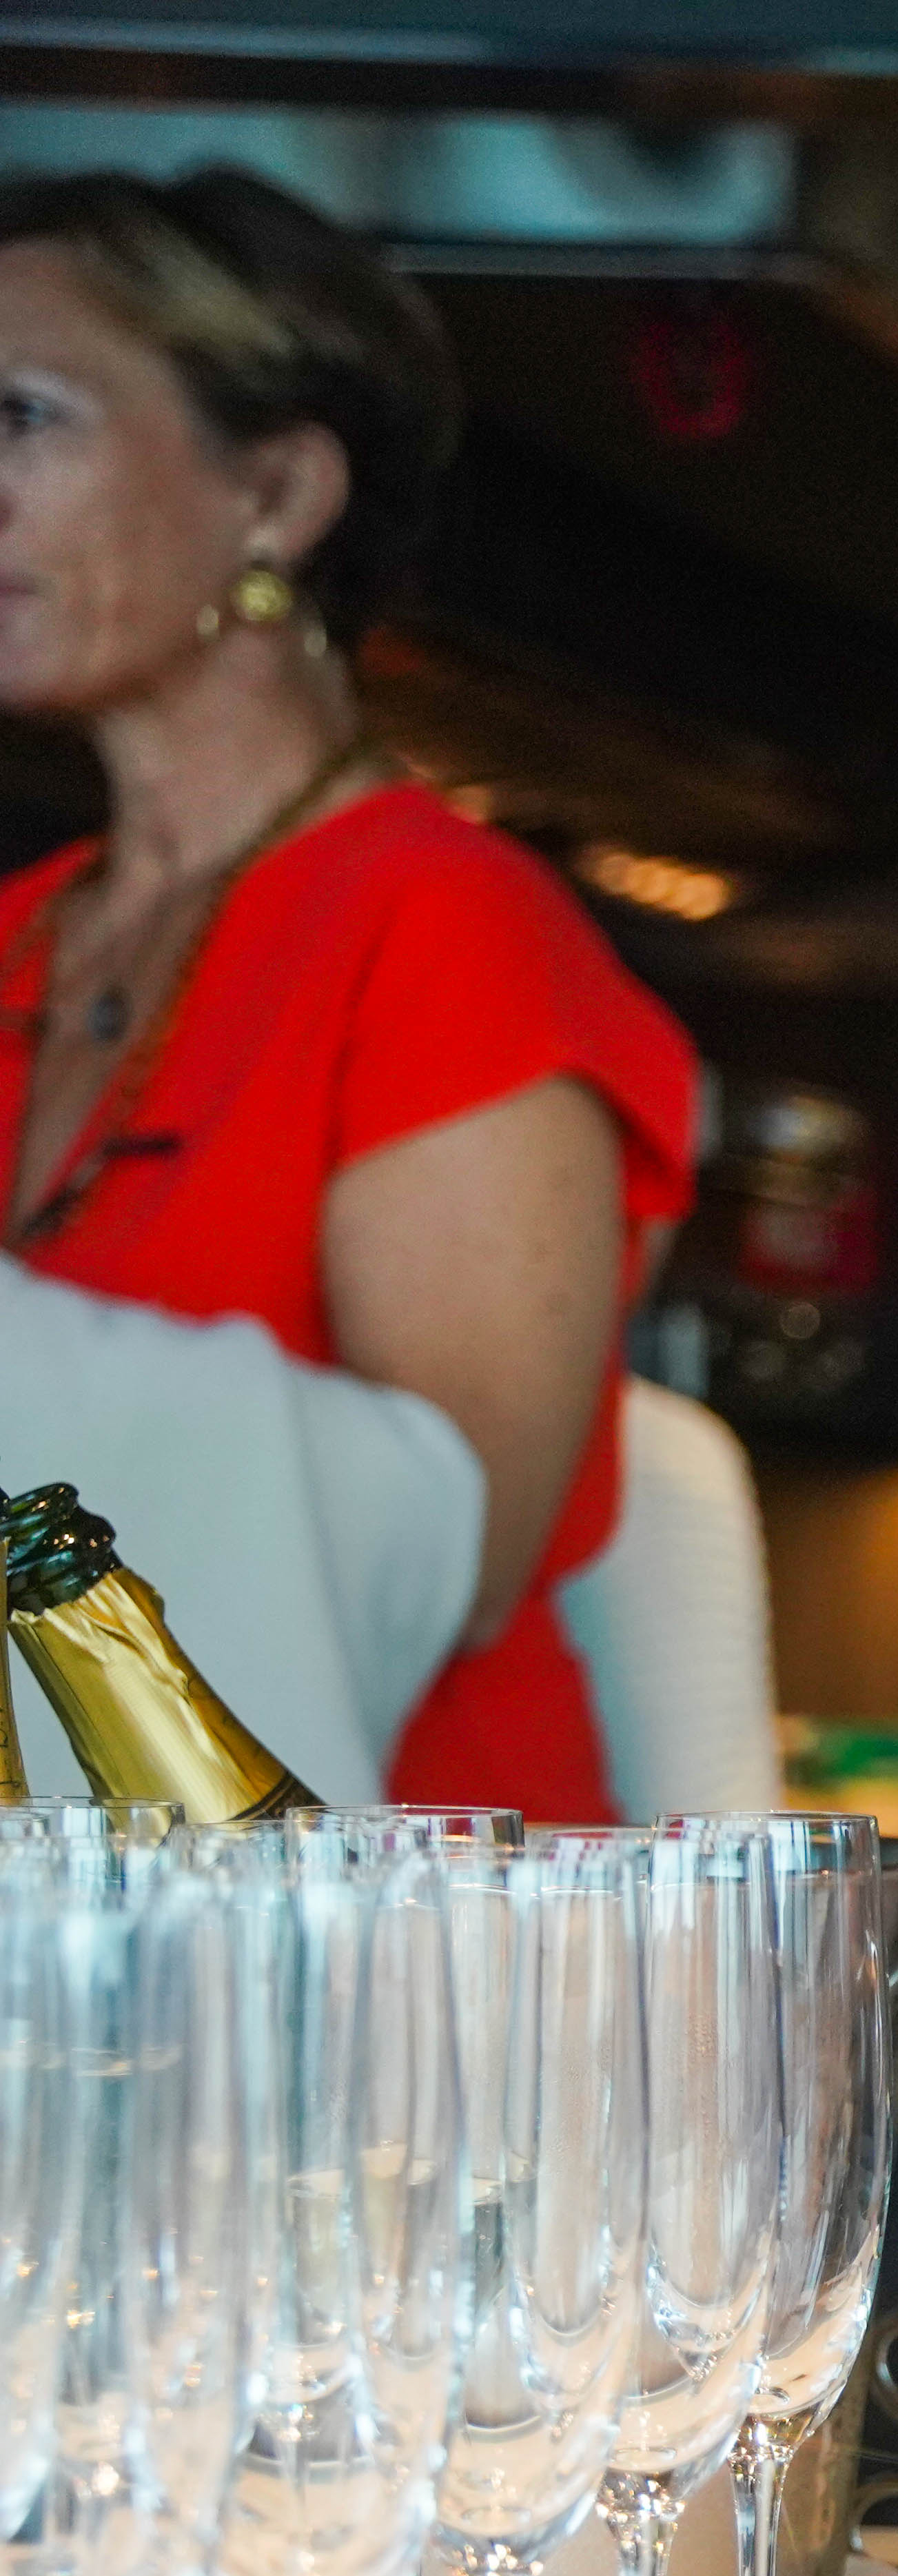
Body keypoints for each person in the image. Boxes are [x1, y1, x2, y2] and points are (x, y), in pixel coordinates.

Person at [0, 168, 692, 1822]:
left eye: (22, 416)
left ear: (280, 493)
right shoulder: (20, 930)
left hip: (418, 1978)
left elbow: (438, 1554)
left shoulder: (447, 931)